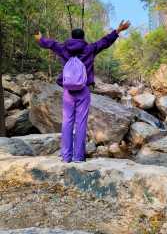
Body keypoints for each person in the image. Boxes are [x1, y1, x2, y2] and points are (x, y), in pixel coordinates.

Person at [34, 20, 130, 163]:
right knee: (81, 123)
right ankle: (78, 157)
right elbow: (105, 42)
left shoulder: (63, 48)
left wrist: (40, 39)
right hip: (83, 90)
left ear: (72, 37)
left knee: (67, 122)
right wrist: (118, 31)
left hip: (68, 91)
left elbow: (51, 44)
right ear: (83, 38)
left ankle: (66, 157)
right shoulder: (90, 48)